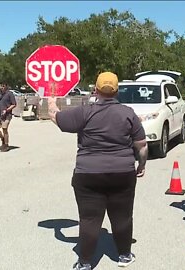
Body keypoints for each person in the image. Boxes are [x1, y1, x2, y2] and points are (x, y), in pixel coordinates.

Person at [47, 72, 148, 270]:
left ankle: (84, 262)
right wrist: (141, 165)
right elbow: (142, 146)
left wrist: (52, 99)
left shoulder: (84, 112)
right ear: (117, 91)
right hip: (123, 173)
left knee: (89, 219)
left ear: (96, 89)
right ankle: (124, 256)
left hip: (88, 174)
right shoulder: (128, 113)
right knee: (122, 216)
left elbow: (55, 116)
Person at [0, 83, 16, 152]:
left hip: (7, 115)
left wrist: (7, 110)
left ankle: (6, 144)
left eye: (3, 86)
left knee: (4, 128)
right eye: (0, 86)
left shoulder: (10, 94)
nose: (1, 87)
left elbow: (14, 104)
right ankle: (2, 138)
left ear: (6, 86)